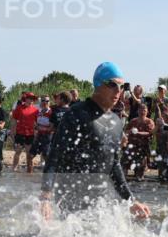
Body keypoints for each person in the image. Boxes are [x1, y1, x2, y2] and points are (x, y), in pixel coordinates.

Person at [41, 62, 151, 219]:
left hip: (99, 201)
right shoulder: (77, 114)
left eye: (122, 87)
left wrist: (131, 200)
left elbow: (114, 164)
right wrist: (46, 196)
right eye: (112, 84)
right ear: (98, 84)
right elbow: (55, 154)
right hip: (70, 197)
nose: (118, 91)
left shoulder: (116, 122)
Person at [124, 101, 155, 180]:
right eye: (141, 109)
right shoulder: (133, 121)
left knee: (139, 174)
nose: (142, 111)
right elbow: (126, 132)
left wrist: (138, 133)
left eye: (144, 110)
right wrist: (130, 131)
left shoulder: (149, 121)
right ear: (138, 111)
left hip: (142, 148)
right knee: (124, 165)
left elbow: (150, 133)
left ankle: (139, 175)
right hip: (131, 147)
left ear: (147, 111)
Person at [11, 92, 39, 172]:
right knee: (18, 152)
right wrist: (12, 132)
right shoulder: (19, 108)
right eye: (30, 98)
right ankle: (14, 169)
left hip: (30, 134)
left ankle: (29, 171)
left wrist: (36, 134)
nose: (31, 100)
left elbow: (37, 123)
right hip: (20, 133)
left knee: (29, 154)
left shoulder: (35, 110)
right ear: (26, 99)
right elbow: (14, 120)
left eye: (33, 99)